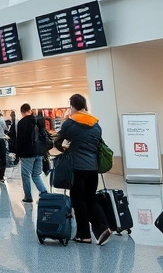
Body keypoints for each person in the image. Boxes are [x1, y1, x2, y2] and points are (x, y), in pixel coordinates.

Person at [54, 94, 111, 246]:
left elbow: (57, 141)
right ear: (85, 106)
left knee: (78, 201)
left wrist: (65, 148)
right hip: (92, 168)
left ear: (72, 106)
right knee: (90, 199)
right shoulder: (96, 125)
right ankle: (103, 227)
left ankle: (83, 234)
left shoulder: (69, 124)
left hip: (77, 169)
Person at [12, 103, 50, 203]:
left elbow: (20, 140)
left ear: (22, 112)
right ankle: (44, 193)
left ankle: (28, 197)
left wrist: (18, 154)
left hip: (28, 153)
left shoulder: (22, 123)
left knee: (26, 175)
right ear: (30, 110)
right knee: (36, 174)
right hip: (40, 152)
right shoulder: (39, 120)